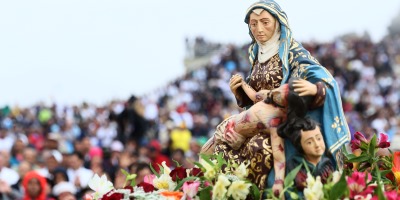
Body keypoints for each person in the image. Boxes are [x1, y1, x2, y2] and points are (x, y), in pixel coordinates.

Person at [200, 0, 350, 193]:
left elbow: (321, 77)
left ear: (278, 23)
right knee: (214, 149)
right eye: (253, 24)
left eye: (265, 22)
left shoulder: (291, 52)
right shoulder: (257, 55)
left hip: (283, 125)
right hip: (255, 121)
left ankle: (263, 194)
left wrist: (316, 90)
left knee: (258, 147)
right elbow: (254, 98)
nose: (258, 29)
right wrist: (240, 90)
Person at [277, 89, 334, 196]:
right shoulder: (295, 165)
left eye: (318, 138)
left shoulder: (327, 163)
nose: (317, 145)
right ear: (300, 146)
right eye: (309, 142)